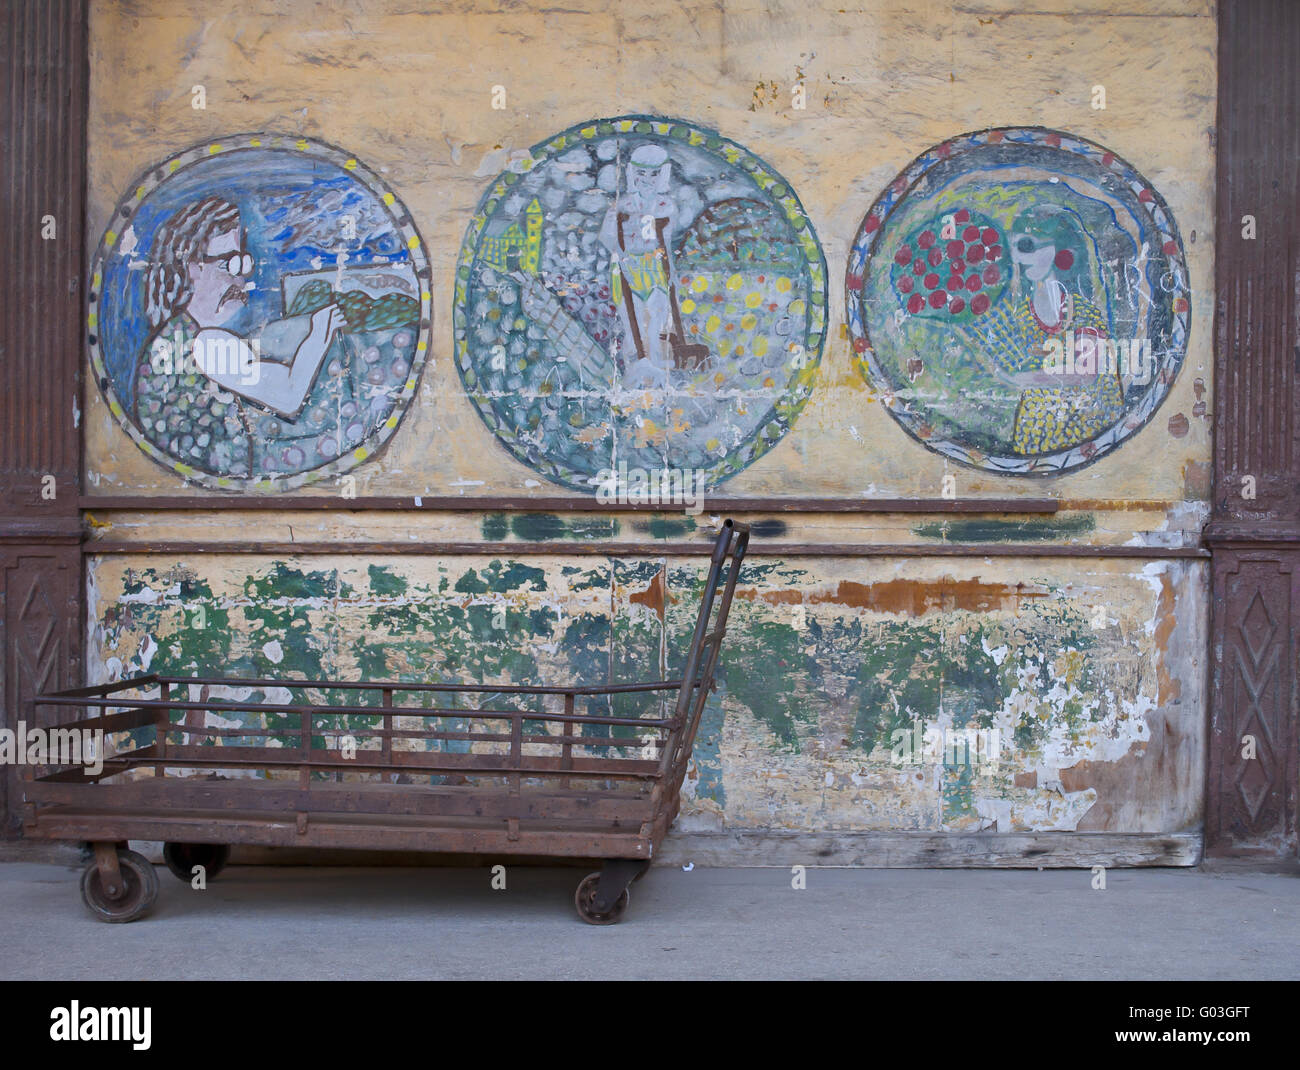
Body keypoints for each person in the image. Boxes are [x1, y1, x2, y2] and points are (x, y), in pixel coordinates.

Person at [135, 195, 345, 476]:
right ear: (192, 268)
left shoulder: (171, 337)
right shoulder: (205, 344)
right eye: (229, 265)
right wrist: (318, 334)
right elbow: (289, 395)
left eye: (244, 264)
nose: (241, 280)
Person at [976, 205, 1123, 455]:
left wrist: (1025, 379)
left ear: (1058, 248)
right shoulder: (1023, 311)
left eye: (1026, 246)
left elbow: (1087, 374)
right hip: (1037, 423)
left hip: (1086, 421)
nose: (1019, 259)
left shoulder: (1083, 310)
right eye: (1013, 251)